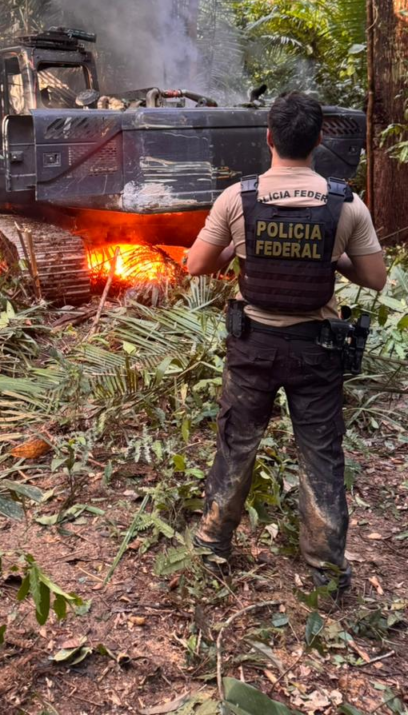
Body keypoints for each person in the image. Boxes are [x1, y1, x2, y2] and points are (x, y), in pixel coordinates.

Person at [186, 92, 386, 591]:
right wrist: (332, 257)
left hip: (252, 346)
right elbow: (375, 278)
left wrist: (238, 247)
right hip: (317, 349)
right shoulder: (346, 204)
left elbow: (196, 265)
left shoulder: (237, 198)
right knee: (321, 453)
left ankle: (212, 544)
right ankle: (325, 568)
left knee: (236, 443)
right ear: (318, 141)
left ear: (269, 138)